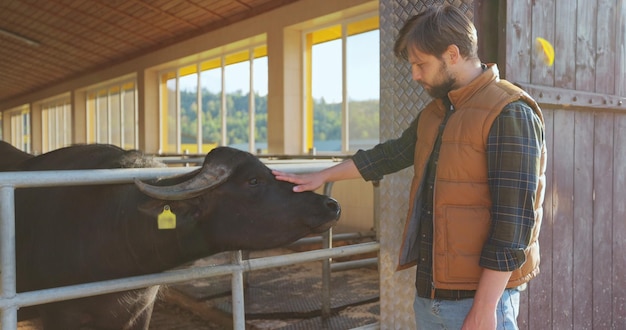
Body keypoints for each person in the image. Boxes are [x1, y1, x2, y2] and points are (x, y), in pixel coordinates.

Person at [273, 4, 546, 330]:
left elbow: (514, 225)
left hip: (481, 303)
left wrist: (484, 309)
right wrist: (321, 176)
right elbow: (390, 155)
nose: (415, 75)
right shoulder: (437, 112)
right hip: (430, 295)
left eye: (420, 64)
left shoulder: (509, 111)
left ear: (452, 54)